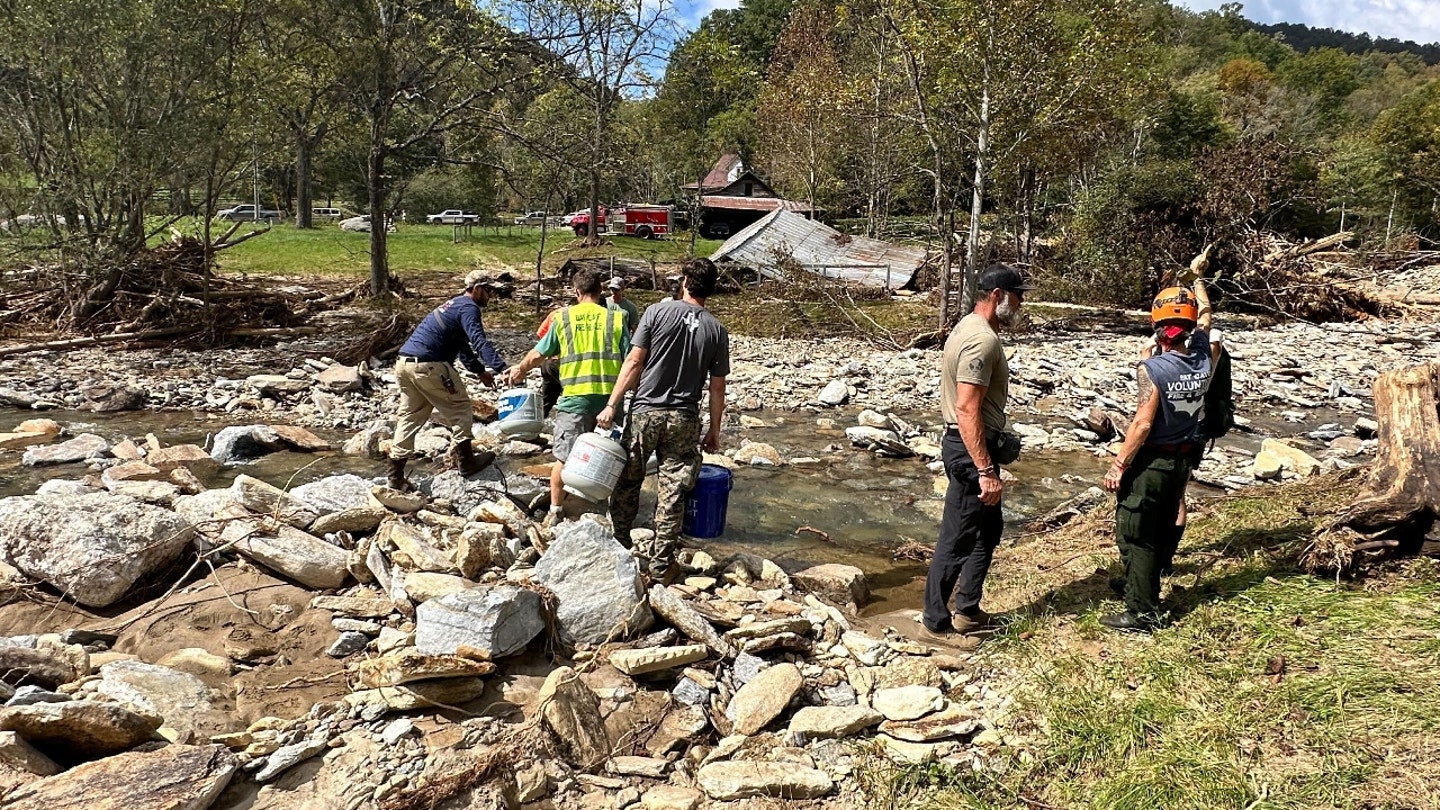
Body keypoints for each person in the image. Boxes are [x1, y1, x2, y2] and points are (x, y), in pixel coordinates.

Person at [920, 264, 1032, 642]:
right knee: (959, 536)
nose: (1019, 305)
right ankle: (935, 621)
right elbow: (967, 408)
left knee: (987, 529)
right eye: (1017, 297)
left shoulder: (967, 327)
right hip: (971, 448)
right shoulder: (981, 340)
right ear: (997, 296)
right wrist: (985, 469)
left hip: (971, 444)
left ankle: (967, 609)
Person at [598, 258, 729, 581]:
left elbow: (633, 361)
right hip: (684, 418)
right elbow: (717, 388)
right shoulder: (716, 330)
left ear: (684, 282)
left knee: (629, 480)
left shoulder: (656, 312)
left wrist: (612, 405)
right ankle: (660, 565)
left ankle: (620, 545)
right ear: (710, 290)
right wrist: (714, 429)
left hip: (645, 411)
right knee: (673, 492)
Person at [1101, 277, 1214, 631]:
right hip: (1182, 460)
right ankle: (1140, 584)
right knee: (1163, 523)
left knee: (1136, 534)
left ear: (1157, 327)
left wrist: (1119, 464)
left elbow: (1143, 424)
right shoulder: (1203, 357)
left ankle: (1142, 612)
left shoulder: (1153, 370)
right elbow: (1208, 319)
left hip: (1154, 461)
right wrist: (1198, 283)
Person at [500, 269, 629, 526]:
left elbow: (540, 354)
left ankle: (556, 511)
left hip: (575, 398)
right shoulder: (617, 318)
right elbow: (630, 361)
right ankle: (609, 509)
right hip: (609, 400)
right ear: (601, 291)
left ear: (576, 292)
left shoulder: (563, 318)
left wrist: (520, 368)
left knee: (563, 457)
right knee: (612, 454)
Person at [386, 270, 507, 490]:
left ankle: (394, 475)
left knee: (410, 417)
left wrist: (480, 371)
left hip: (404, 364)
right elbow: (478, 341)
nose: (491, 296)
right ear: (477, 289)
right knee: (460, 408)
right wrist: (502, 368)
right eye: (488, 291)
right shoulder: (470, 307)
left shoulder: (453, 305)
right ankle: (467, 462)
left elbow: (462, 347)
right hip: (430, 365)